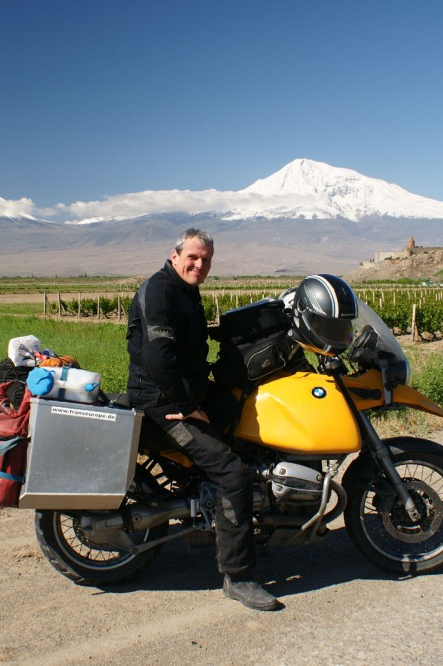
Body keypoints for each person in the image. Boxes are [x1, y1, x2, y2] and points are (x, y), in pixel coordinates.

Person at [126, 228, 283, 611]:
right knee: (232, 472)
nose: (200, 265)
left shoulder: (185, 290)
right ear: (175, 254)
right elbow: (159, 358)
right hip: (164, 401)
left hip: (188, 391)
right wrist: (187, 403)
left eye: (206, 259)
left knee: (248, 418)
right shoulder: (161, 291)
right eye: (193, 257)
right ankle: (238, 576)